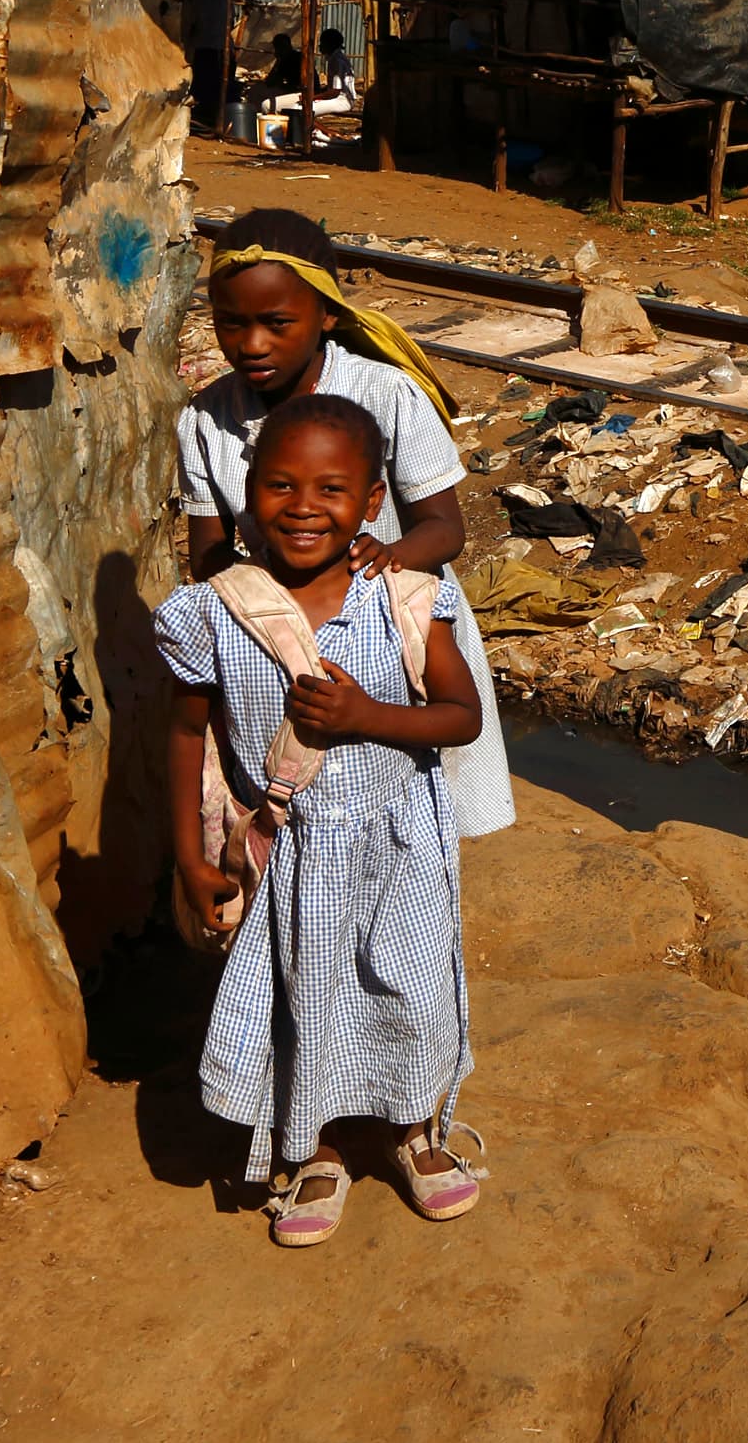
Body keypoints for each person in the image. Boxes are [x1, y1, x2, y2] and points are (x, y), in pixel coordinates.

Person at [160, 394, 488, 1244]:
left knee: (409, 991)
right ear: (247, 489)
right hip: (291, 854)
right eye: (280, 485)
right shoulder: (215, 607)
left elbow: (460, 716)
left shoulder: (406, 596)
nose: (304, 507)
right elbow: (186, 733)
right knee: (306, 998)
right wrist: (191, 859)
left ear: (372, 502)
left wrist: (367, 716)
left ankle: (416, 1131)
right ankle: (320, 1146)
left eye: (332, 489)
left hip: (398, 843)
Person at [179, 208, 516, 841]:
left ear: (326, 315)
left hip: (398, 636)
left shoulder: (387, 395)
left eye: (277, 324)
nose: (252, 344)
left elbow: (444, 528)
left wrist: (384, 557)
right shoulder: (205, 420)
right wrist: (271, 599)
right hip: (274, 644)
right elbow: (209, 555)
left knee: (412, 805)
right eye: (232, 323)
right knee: (294, 811)